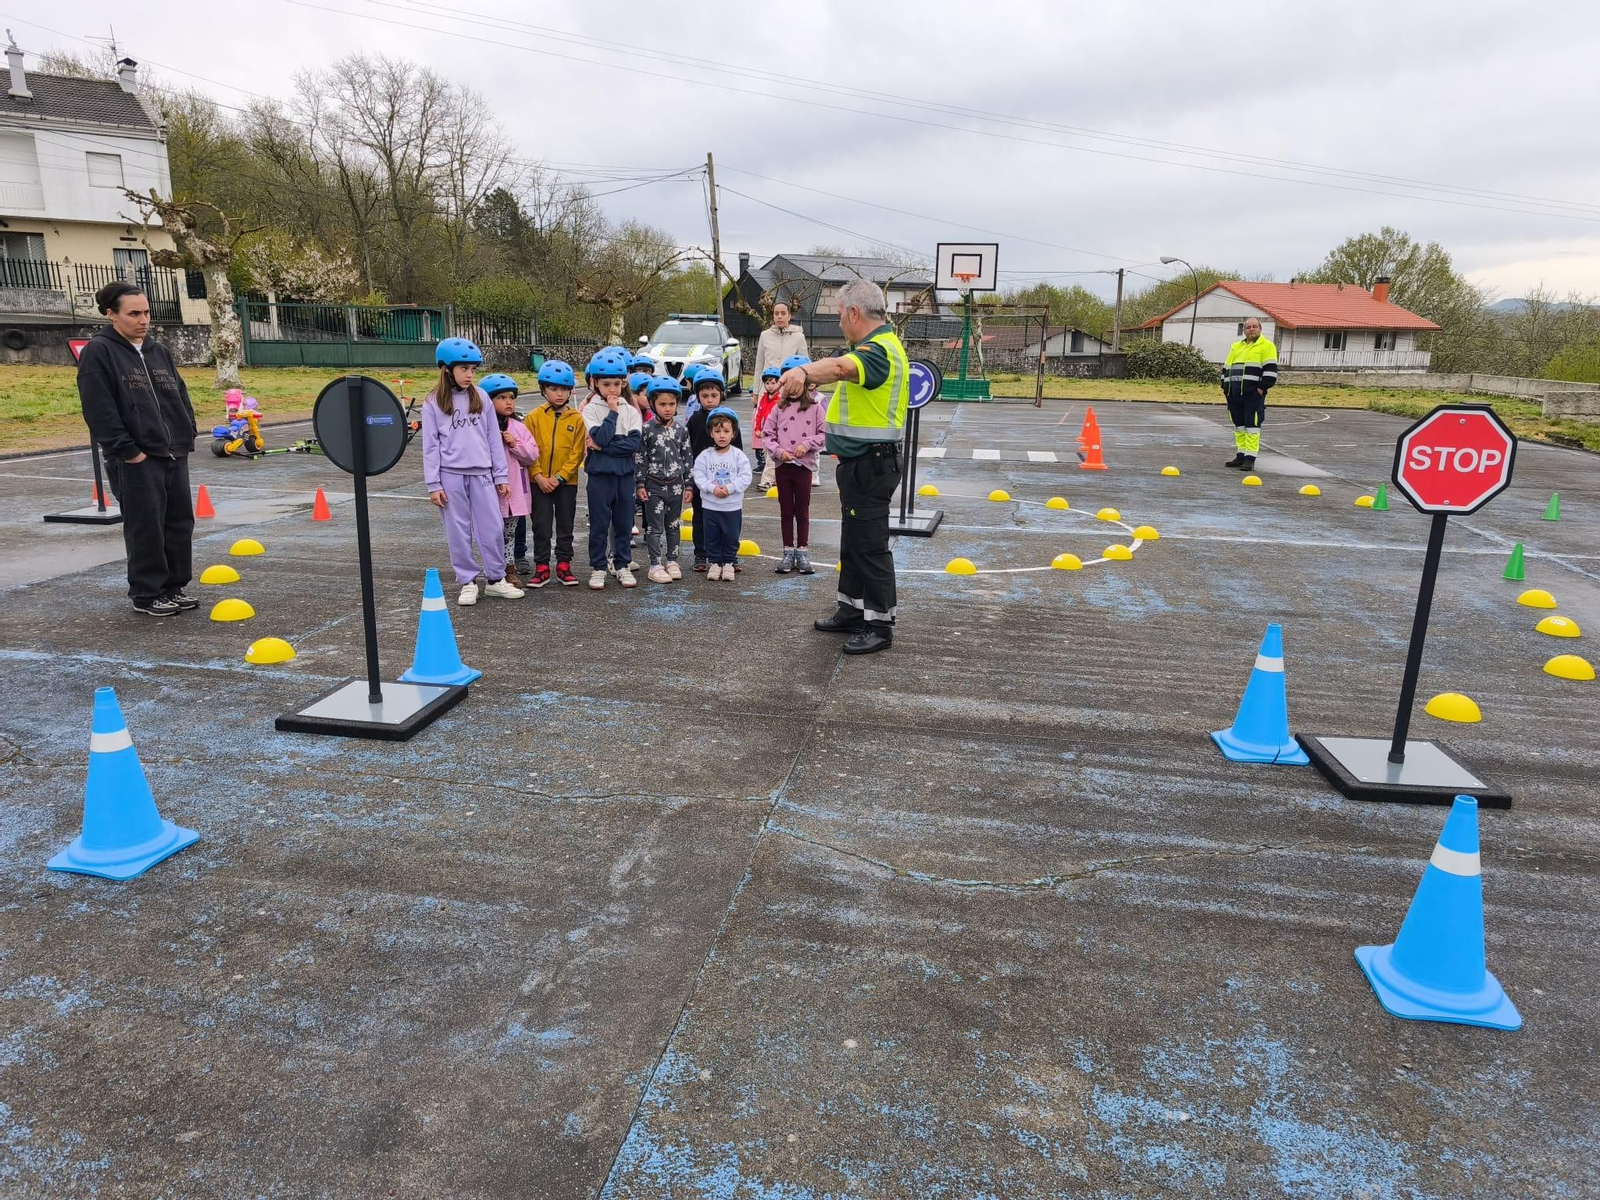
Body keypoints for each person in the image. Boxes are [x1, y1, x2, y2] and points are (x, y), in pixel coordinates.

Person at [778, 279, 907, 655]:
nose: (838, 323)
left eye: (838, 315)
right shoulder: (875, 346)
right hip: (861, 463)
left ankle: (880, 623)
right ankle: (852, 608)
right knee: (854, 541)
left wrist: (802, 372)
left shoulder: (878, 352)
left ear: (854, 312)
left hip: (872, 463)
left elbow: (838, 368)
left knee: (869, 546)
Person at [76, 281, 201, 617]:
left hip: (174, 450)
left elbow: (179, 393)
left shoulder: (158, 351)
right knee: (146, 524)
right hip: (136, 457)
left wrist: (187, 431)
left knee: (178, 522)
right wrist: (128, 450)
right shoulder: (99, 352)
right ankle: (147, 594)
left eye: (146, 312)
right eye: (134, 313)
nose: (143, 319)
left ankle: (173, 587)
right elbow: (98, 408)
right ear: (110, 314)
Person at [421, 338, 525, 606]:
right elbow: (430, 446)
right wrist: (433, 484)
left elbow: (493, 438)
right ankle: (467, 581)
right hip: (450, 474)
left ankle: (495, 579)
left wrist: (500, 475)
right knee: (458, 530)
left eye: (473, 369)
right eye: (464, 369)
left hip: (482, 473)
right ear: (447, 369)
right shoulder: (433, 402)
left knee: (492, 527)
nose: (469, 375)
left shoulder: (481, 397)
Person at [580, 347, 643, 589]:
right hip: (599, 476)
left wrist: (603, 446)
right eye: (606, 384)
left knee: (624, 522)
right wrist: (613, 414)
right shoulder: (592, 409)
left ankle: (622, 564)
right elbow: (604, 436)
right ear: (595, 383)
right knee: (599, 523)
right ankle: (598, 567)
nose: (613, 390)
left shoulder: (630, 409)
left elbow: (633, 443)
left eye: (617, 384)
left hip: (624, 475)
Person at [524, 359, 586, 588]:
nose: (559, 394)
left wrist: (560, 477)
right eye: (553, 389)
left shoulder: (576, 419)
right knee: (541, 524)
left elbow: (577, 452)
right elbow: (528, 451)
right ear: (543, 389)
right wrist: (539, 475)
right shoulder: (533, 417)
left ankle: (563, 565)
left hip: (566, 483)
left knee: (565, 524)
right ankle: (541, 567)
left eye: (564, 389)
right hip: (538, 481)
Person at [761, 354, 825, 575]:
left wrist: (807, 445)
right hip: (783, 467)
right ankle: (788, 552)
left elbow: (824, 434)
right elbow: (767, 435)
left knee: (802, 511)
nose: (794, 387)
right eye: (788, 382)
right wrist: (779, 452)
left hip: (804, 467)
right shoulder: (778, 408)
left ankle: (803, 553)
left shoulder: (816, 406)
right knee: (786, 511)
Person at [636, 376, 693, 584]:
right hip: (653, 485)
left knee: (674, 525)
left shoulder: (681, 430)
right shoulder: (646, 430)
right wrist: (640, 484)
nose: (667, 408)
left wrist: (689, 485)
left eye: (671, 404)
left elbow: (688, 459)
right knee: (654, 527)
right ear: (653, 403)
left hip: (676, 486)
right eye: (662, 404)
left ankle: (672, 560)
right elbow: (641, 459)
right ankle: (655, 564)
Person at [483, 373, 538, 590]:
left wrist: (515, 444)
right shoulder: (483, 427)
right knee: (491, 532)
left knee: (509, 532)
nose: (508, 402)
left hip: (514, 491)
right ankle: (493, 569)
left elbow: (533, 454)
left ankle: (509, 568)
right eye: (501, 398)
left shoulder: (518, 427)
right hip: (490, 491)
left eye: (511, 397)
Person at [684, 369, 742, 573]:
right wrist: (690, 483)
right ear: (697, 395)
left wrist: (733, 485)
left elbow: (739, 453)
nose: (709, 400)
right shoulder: (694, 421)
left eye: (714, 395)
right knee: (701, 517)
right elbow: (688, 452)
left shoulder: (729, 420)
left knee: (729, 522)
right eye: (705, 396)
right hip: (703, 483)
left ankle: (729, 557)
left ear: (721, 394)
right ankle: (701, 553)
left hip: (727, 484)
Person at [691, 407, 751, 582]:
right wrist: (712, 488)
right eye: (717, 431)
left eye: (726, 431)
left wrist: (730, 488)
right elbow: (699, 475)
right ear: (711, 433)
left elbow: (745, 476)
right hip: (710, 506)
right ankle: (715, 563)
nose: (722, 435)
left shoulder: (738, 455)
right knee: (711, 536)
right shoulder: (705, 456)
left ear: (733, 433)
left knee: (731, 535)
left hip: (732, 506)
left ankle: (729, 562)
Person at [1220, 316, 1278, 471]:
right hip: (1233, 394)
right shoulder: (1236, 346)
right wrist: (1224, 386)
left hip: (1253, 395)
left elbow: (1271, 371)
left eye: (1254, 326)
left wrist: (1261, 389)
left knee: (1252, 426)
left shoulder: (1266, 346)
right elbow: (1226, 368)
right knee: (1239, 426)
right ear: (1244, 330)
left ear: (1260, 328)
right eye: (1248, 327)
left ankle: (1250, 458)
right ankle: (1240, 455)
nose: (1251, 329)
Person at [753, 300, 809, 382]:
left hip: (788, 387)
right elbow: (759, 366)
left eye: (783, 313)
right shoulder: (764, 336)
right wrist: (756, 392)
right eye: (776, 313)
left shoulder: (799, 337)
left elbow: (805, 365)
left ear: (789, 316)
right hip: (767, 388)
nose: (779, 316)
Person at [751, 365, 783, 490]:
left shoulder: (780, 399)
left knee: (771, 457)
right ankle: (775, 478)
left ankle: (766, 481)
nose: (770, 386)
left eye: (773, 383)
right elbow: (759, 414)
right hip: (765, 433)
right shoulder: (764, 398)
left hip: (776, 434)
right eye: (768, 383)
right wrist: (757, 429)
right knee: (768, 456)